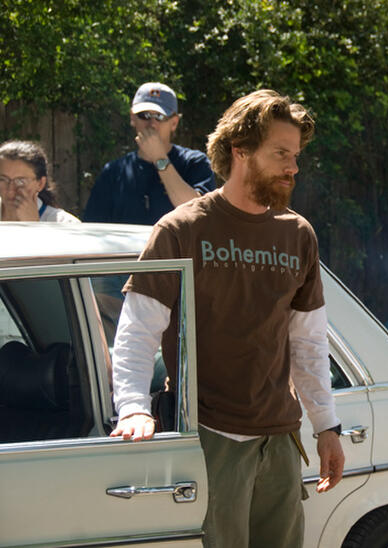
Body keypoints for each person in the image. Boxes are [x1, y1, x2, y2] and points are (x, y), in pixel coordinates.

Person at [109, 89, 345, 547]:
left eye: (295, 156)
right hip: (209, 440)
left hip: (279, 439)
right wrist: (134, 407)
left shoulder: (298, 235)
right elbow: (137, 330)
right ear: (240, 151)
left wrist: (326, 427)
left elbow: (309, 343)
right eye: (280, 154)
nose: (293, 167)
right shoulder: (181, 229)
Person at [83, 82, 215, 224]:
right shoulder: (114, 172)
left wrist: (160, 159)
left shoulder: (194, 163)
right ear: (133, 118)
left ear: (174, 123)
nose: (152, 124)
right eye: (144, 115)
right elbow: (94, 226)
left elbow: (197, 212)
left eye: (159, 116)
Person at [0, 140, 79, 222]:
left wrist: (33, 224)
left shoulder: (65, 223)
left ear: (40, 184)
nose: (10, 190)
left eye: (21, 181)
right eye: (3, 179)